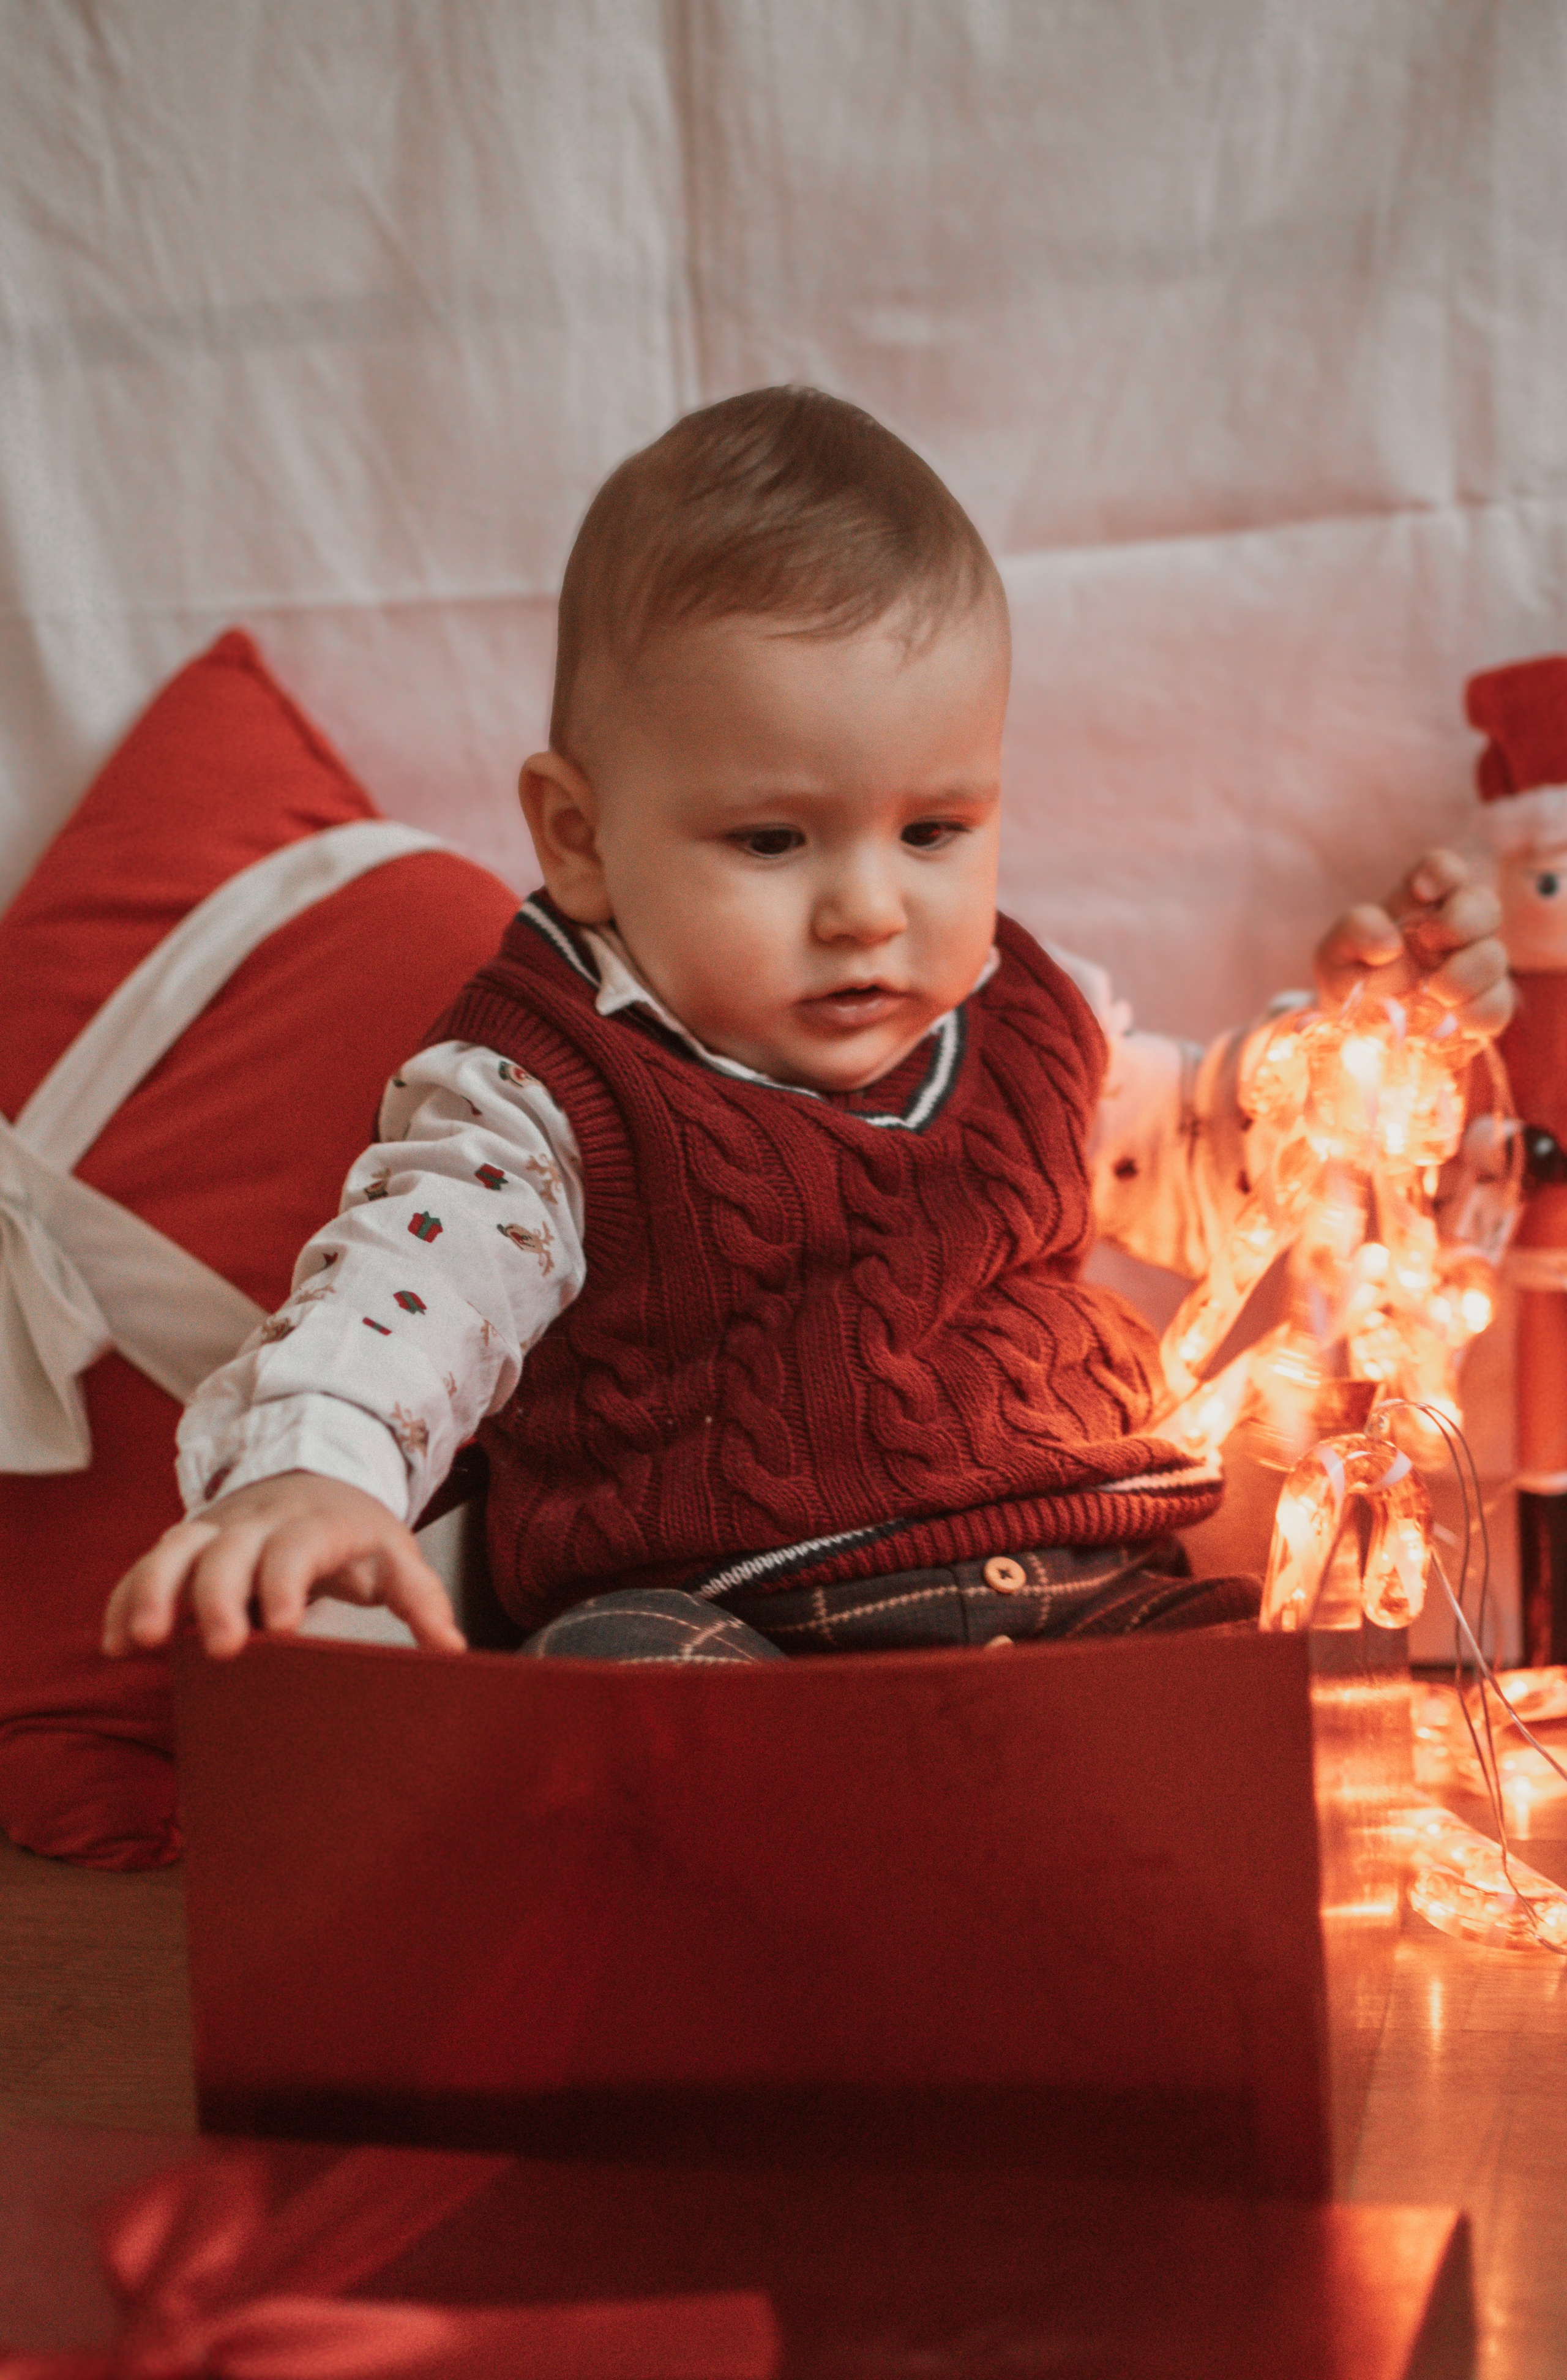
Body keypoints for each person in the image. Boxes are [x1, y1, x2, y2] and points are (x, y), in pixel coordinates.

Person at [102, 388, 1511, 1666]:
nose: (867, 911)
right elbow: (412, 1295)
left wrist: (1365, 1059)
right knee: (612, 1673)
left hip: (1084, 1583)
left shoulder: (1032, 1021)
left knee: (1279, 1683)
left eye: (933, 830)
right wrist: (315, 1469)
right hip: (731, 1616)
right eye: (772, 840)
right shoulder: (544, 1089)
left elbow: (1209, 1169)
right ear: (579, 838)